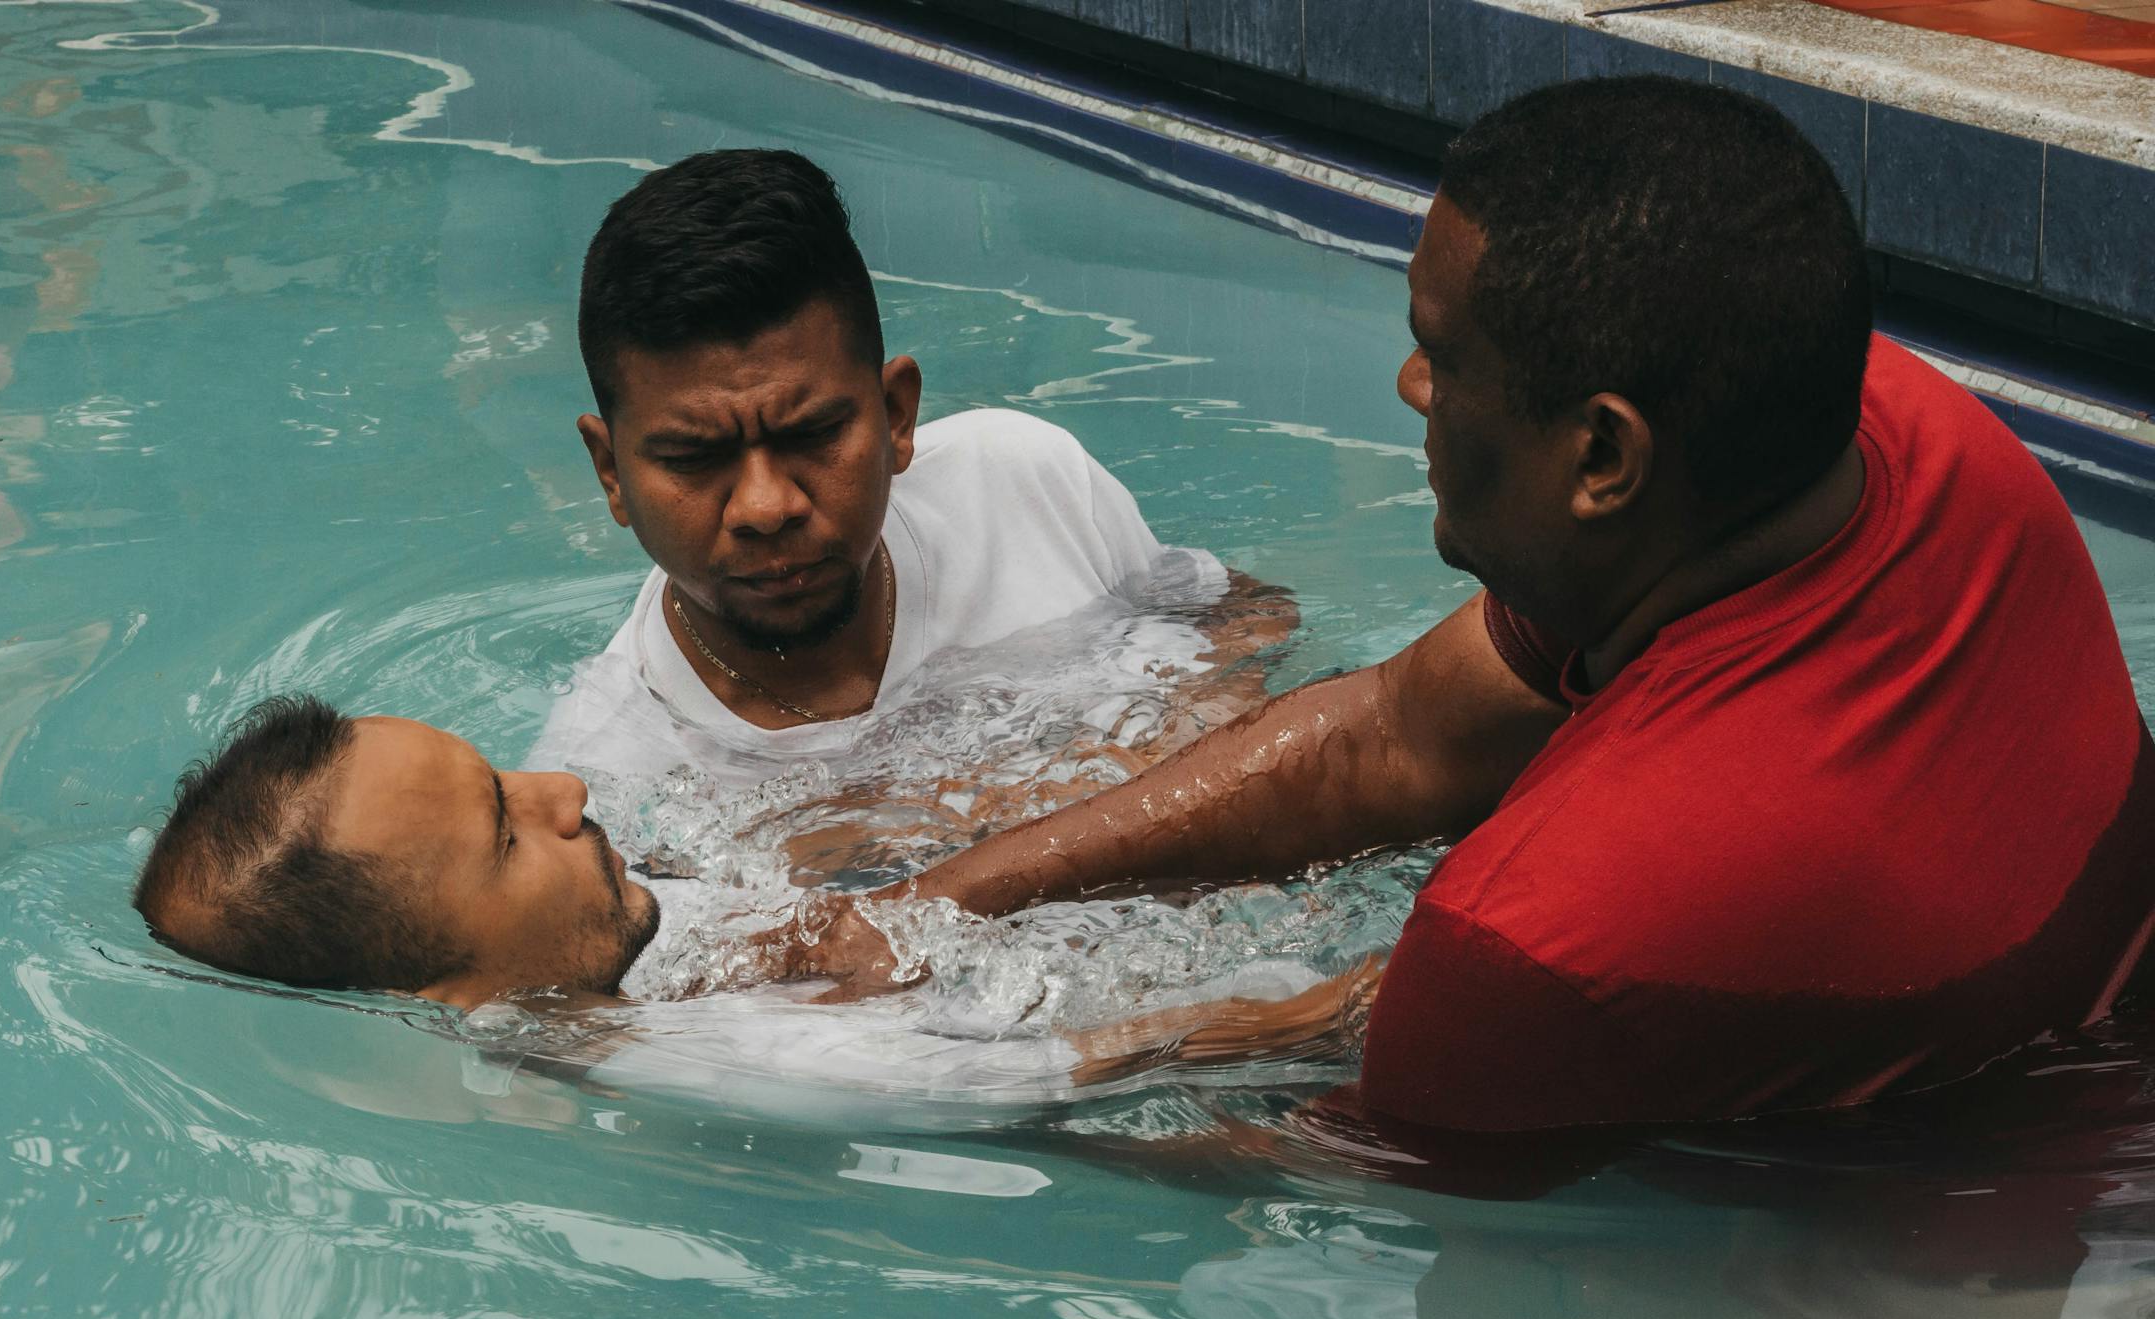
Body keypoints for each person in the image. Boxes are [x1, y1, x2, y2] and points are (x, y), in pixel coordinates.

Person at [776, 76, 2155, 1131]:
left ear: (1602, 456)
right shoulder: (1913, 432)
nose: (1409, 392)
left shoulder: (1542, 934)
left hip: (2007, 1236)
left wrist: (862, 1073)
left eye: (1443, 356)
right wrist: (929, 903)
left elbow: (1309, 1162)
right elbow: (1396, 733)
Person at [131, 696, 1372, 1109]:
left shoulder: (593, 939)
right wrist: (1350, 1009)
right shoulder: (719, 1061)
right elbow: (1100, 1064)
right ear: (453, 1000)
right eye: (508, 831)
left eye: (503, 772)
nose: (562, 788)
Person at [529, 147, 1244, 790]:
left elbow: (1240, 621)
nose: (766, 506)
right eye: (695, 458)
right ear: (611, 472)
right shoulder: (604, 783)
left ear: (897, 415)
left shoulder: (1026, 484)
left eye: (811, 434)